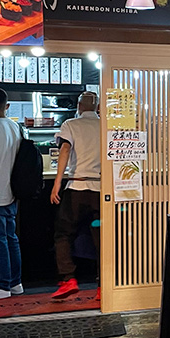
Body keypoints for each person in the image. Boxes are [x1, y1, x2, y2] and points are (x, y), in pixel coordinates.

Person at [50, 91, 101, 299]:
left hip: (77, 189)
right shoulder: (106, 126)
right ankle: (103, 284)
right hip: (101, 191)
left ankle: (68, 279)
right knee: (102, 238)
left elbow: (64, 151)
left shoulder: (70, 124)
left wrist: (57, 183)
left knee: (63, 234)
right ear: (97, 107)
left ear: (79, 106)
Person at [0, 88, 24, 300]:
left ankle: (2, 285)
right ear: (7, 106)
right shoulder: (16, 127)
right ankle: (16, 283)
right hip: (14, 191)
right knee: (11, 238)